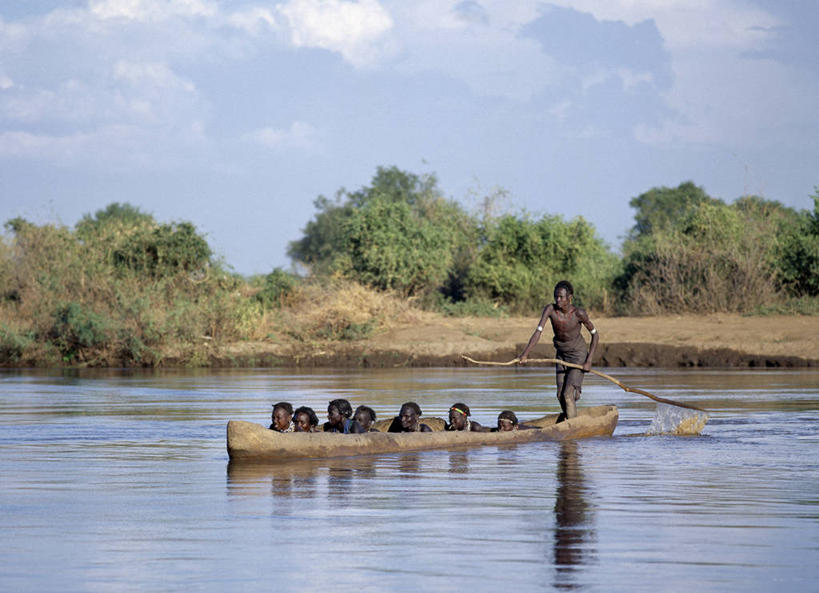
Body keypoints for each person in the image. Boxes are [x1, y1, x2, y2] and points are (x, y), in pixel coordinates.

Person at [517, 280, 599, 421]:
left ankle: (573, 426)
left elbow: (595, 335)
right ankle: (570, 417)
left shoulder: (578, 313)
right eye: (556, 297)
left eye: (561, 297)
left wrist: (589, 360)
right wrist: (525, 354)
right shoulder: (550, 310)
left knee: (567, 394)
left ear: (570, 298)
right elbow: (538, 332)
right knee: (560, 394)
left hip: (578, 356)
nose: (558, 300)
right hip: (561, 356)